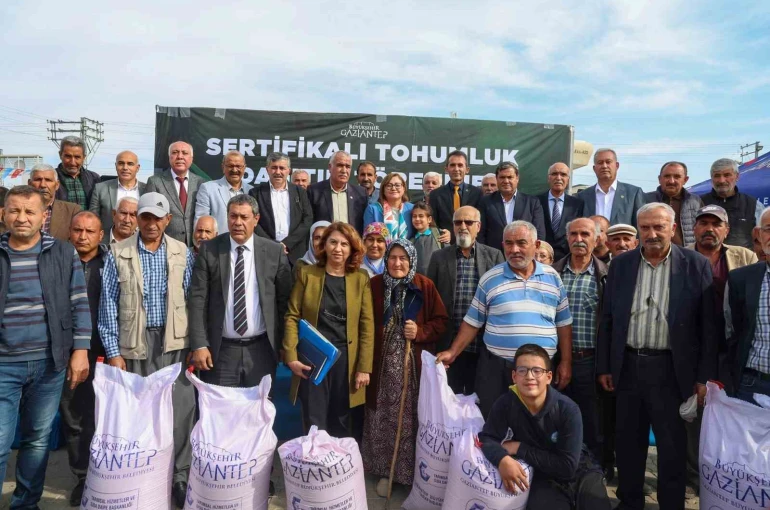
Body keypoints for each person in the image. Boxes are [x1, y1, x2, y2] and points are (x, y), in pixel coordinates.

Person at [596, 202, 718, 510]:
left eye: (659, 227)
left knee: (672, 446)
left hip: (672, 370)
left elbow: (708, 326)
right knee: (629, 443)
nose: (652, 234)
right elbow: (608, 319)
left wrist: (703, 377)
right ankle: (630, 501)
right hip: (628, 366)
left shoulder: (695, 265)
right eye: (646, 227)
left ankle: (672, 503)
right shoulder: (622, 265)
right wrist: (606, 366)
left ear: (673, 228)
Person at [98, 192, 196, 508]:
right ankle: (143, 474)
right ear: (136, 218)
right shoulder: (118, 252)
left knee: (180, 413)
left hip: (174, 345)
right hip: (133, 345)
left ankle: (179, 476)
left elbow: (194, 300)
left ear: (168, 220)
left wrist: (196, 346)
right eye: (145, 217)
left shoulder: (183, 252)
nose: (151, 223)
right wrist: (113, 352)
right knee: (138, 414)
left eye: (157, 217)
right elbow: (108, 304)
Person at [0, 186, 91, 509]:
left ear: (44, 216)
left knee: (37, 440)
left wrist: (80, 350)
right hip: (4, 364)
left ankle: (26, 503)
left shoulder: (63, 253)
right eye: (15, 210)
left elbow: (79, 304)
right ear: (4, 214)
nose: (22, 218)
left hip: (48, 362)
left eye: (29, 212)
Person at [436, 220, 573, 415]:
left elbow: (564, 323)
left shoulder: (553, 277)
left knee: (535, 427)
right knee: (493, 424)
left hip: (539, 371)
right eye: (509, 243)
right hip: (496, 369)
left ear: (536, 245)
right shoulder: (491, 278)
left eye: (521, 243)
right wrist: (453, 352)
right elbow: (473, 322)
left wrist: (566, 361)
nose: (514, 249)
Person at [363, 239, 448, 496]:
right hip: (382, 368)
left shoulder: (423, 285)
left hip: (412, 368)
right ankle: (386, 471)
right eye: (392, 258)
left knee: (411, 419)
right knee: (382, 418)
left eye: (403, 259)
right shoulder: (375, 285)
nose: (397, 263)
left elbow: (441, 321)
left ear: (411, 261)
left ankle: (411, 474)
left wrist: (420, 331)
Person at [479, 344, 611, 510]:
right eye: (522, 370)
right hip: (544, 475)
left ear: (549, 377)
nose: (529, 376)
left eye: (537, 370)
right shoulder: (506, 403)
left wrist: (519, 448)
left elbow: (567, 467)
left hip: (581, 471)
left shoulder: (567, 409)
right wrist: (502, 459)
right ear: (514, 376)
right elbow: (487, 438)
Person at [685, 204, 756, 495]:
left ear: (726, 230)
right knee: (693, 411)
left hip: (731, 348)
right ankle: (693, 474)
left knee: (729, 411)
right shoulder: (682, 256)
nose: (709, 229)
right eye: (704, 223)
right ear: (695, 228)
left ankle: (731, 474)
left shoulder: (744, 256)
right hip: (691, 345)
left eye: (716, 224)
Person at [189, 194, 291, 389]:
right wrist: (200, 345)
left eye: (244, 217)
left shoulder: (273, 251)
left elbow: (284, 302)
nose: (237, 223)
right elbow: (197, 300)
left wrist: (284, 344)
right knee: (221, 413)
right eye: (233, 216)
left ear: (256, 219)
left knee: (258, 414)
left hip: (261, 350)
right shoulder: (210, 250)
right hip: (221, 352)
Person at [283, 222, 375, 437]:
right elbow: (292, 316)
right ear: (324, 245)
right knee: (314, 420)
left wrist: (364, 367)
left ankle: (341, 469)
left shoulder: (360, 278)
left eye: (344, 244)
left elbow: (366, 325)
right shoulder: (307, 274)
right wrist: (291, 356)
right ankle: (316, 467)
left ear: (352, 249)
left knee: (343, 421)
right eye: (333, 242)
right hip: (313, 360)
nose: (338, 248)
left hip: (347, 361)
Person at [427, 206, 504, 395]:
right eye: (457, 222)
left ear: (478, 226)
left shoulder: (494, 256)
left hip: (483, 345)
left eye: (468, 222)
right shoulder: (439, 257)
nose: (463, 226)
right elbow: (430, 300)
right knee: (448, 399)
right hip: (448, 342)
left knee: (480, 400)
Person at [551, 218, 608, 464]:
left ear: (597, 240)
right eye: (573, 234)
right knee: (557, 416)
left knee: (592, 418)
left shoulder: (606, 275)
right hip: (554, 359)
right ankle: (562, 464)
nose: (578, 239)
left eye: (585, 234)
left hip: (589, 359)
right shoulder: (551, 273)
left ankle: (594, 467)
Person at [60, 211, 107, 506]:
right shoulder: (59, 261)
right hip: (68, 352)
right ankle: (82, 476)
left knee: (105, 417)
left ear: (101, 235)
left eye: (90, 231)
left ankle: (108, 474)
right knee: (74, 416)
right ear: (69, 232)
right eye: (78, 230)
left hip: (106, 352)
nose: (83, 236)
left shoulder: (112, 262)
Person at [725, 206, 770, 401]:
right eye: (769, 229)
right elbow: (733, 331)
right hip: (753, 386)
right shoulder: (741, 279)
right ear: (759, 234)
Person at [251, 152, 314, 264]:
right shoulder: (255, 193)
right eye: (274, 168)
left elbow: (307, 219)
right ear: (267, 169)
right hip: (265, 252)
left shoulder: (300, 192)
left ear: (288, 171)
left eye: (282, 168)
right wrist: (273, 245)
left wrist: (287, 244)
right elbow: (254, 222)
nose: (278, 172)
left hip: (295, 254)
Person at [146, 141, 203, 246]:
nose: (180, 156)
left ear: (191, 159)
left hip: (195, 246)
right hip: (166, 245)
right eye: (175, 152)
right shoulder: (155, 182)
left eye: (184, 153)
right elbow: (151, 217)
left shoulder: (201, 183)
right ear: (169, 157)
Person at [479, 161, 546, 248]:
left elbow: (539, 233)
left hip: (523, 255)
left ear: (517, 178)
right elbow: (480, 233)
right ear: (497, 179)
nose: (506, 181)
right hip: (493, 257)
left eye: (510, 177)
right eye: (502, 177)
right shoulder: (485, 202)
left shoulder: (532, 203)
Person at [701, 158, 763, 249]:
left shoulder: (754, 205)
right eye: (717, 176)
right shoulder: (699, 203)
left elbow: (764, 237)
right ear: (711, 178)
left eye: (727, 175)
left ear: (737, 177)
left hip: (744, 261)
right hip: (707, 261)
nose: (722, 180)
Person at [579, 148, 646, 227]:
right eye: (600, 163)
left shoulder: (633, 194)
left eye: (608, 162)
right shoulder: (582, 196)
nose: (604, 166)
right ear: (594, 168)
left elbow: (642, 226)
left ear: (617, 165)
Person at [307, 151, 368, 234]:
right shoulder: (314, 191)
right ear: (330, 167)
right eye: (340, 165)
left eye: (348, 166)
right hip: (325, 244)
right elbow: (308, 223)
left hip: (352, 244)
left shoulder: (361, 193)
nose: (344, 170)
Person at [644, 161, 703, 247]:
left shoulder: (695, 201)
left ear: (685, 180)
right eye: (667, 176)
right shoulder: (645, 200)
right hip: (654, 255)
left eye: (677, 177)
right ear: (659, 179)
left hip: (687, 256)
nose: (671, 181)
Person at [194, 150, 252, 234]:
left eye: (238, 166)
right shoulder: (208, 188)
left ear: (244, 168)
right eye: (230, 166)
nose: (234, 170)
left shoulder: (251, 191)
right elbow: (201, 222)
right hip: (217, 244)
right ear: (223, 167)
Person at [428, 151, 483, 239]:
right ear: (446, 169)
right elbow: (433, 224)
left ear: (467, 169)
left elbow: (480, 223)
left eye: (460, 165)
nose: (456, 169)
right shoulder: (436, 194)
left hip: (470, 244)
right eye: (452, 165)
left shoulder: (477, 193)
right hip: (445, 246)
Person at [89, 151, 146, 233]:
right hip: (108, 243)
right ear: (116, 166)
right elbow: (92, 220)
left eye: (130, 164)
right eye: (121, 163)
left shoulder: (147, 190)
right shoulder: (100, 189)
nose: (125, 167)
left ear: (137, 168)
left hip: (138, 242)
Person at [538, 162, 585, 261]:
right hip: (541, 259)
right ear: (548, 178)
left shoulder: (577, 204)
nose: (558, 178)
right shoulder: (536, 201)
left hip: (567, 259)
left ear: (568, 180)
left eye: (563, 175)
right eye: (554, 174)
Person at [28, 163, 82, 241]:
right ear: (29, 184)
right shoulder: (19, 210)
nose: (43, 185)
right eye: (38, 180)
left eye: (48, 180)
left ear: (57, 185)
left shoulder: (73, 211)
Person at [55, 135, 101, 210]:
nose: (72, 162)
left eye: (77, 157)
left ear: (84, 158)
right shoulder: (50, 178)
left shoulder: (94, 178)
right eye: (68, 156)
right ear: (60, 155)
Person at [364, 172, 414, 241]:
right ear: (383, 189)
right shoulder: (372, 209)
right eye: (389, 185)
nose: (393, 188)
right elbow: (368, 238)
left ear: (404, 188)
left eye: (397, 185)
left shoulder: (412, 209)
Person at [409, 202, 445, 275]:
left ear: (429, 219)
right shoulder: (411, 241)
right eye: (414, 216)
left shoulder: (440, 236)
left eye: (421, 216)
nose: (417, 219)